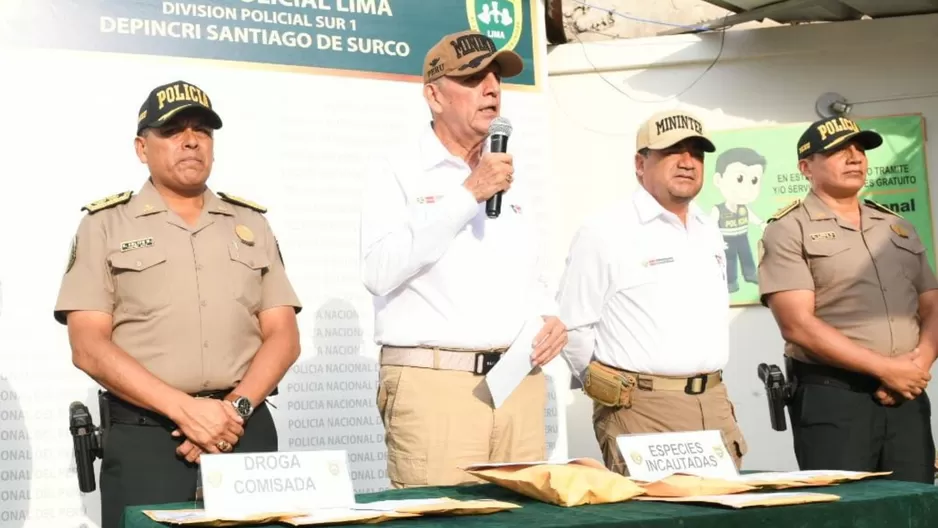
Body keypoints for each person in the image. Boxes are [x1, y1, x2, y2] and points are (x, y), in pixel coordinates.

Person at [53, 80, 303, 527]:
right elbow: (88, 345)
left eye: (202, 131)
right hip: (148, 436)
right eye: (172, 130)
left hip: (243, 430)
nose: (191, 141)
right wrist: (184, 410)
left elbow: (283, 336)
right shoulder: (104, 225)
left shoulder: (251, 223)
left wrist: (233, 411)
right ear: (141, 148)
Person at [359, 31, 567, 488]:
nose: (491, 88)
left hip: (518, 384)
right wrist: (469, 193)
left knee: (522, 524)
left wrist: (547, 316)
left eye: (496, 77)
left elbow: (527, 274)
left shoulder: (509, 171)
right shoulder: (397, 168)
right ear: (434, 95)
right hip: (437, 387)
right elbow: (378, 271)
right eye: (474, 78)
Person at [557, 109, 747, 475]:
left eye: (696, 153)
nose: (688, 162)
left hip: (714, 400)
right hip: (643, 407)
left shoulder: (708, 227)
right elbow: (573, 327)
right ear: (640, 163)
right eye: (672, 151)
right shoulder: (606, 230)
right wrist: (616, 391)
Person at [758, 115, 937, 483]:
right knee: (846, 513)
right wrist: (887, 370)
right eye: (838, 150)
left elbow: (932, 303)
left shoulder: (895, 227)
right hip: (834, 399)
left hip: (905, 395)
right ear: (806, 167)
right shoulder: (789, 228)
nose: (854, 157)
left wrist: (916, 366)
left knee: (914, 509)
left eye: (859, 149)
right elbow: (797, 325)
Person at [710, 147, 767, 293]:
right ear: (718, 180)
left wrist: (761, 224)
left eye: (754, 180)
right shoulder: (718, 209)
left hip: (742, 236)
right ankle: (731, 281)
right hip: (726, 239)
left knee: (747, 256)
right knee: (729, 261)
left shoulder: (744, 208)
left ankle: (750, 274)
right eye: (739, 178)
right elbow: (710, 226)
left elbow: (752, 217)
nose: (746, 188)